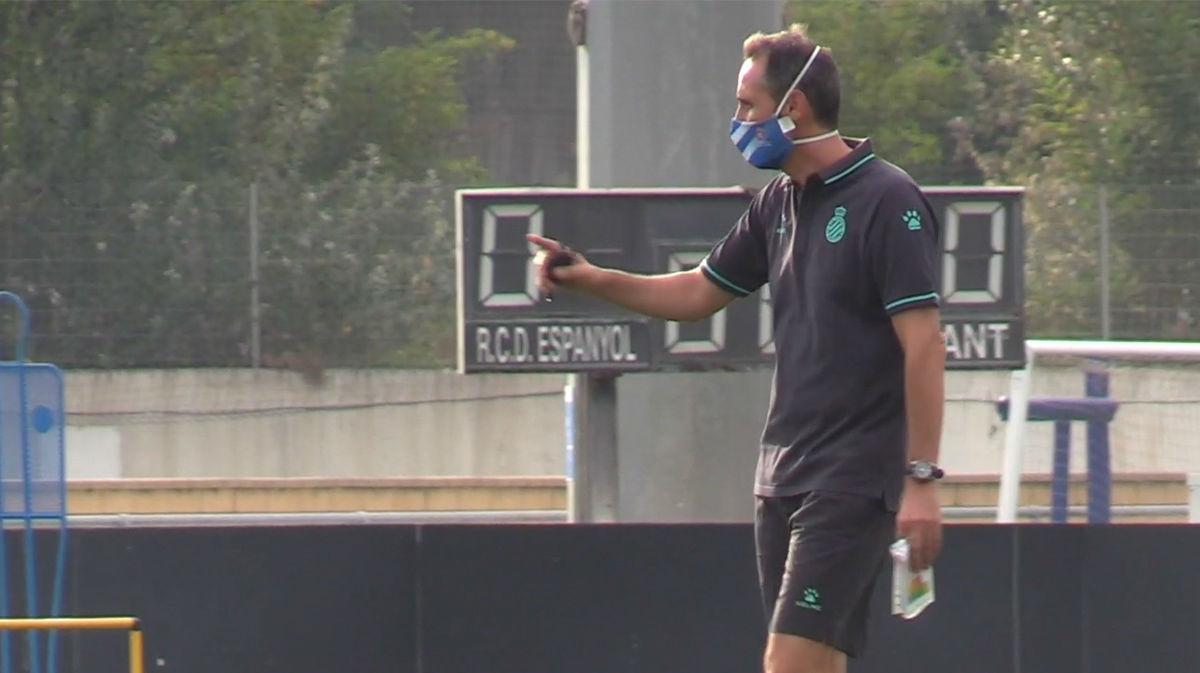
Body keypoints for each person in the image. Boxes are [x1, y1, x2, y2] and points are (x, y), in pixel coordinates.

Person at [528, 24, 944, 673]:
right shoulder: (777, 203)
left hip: (852, 481)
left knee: (787, 663)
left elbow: (924, 346)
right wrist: (592, 277)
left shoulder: (887, 200)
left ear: (794, 107)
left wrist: (921, 480)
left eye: (748, 105)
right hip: (781, 478)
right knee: (814, 665)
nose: (739, 121)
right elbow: (699, 291)